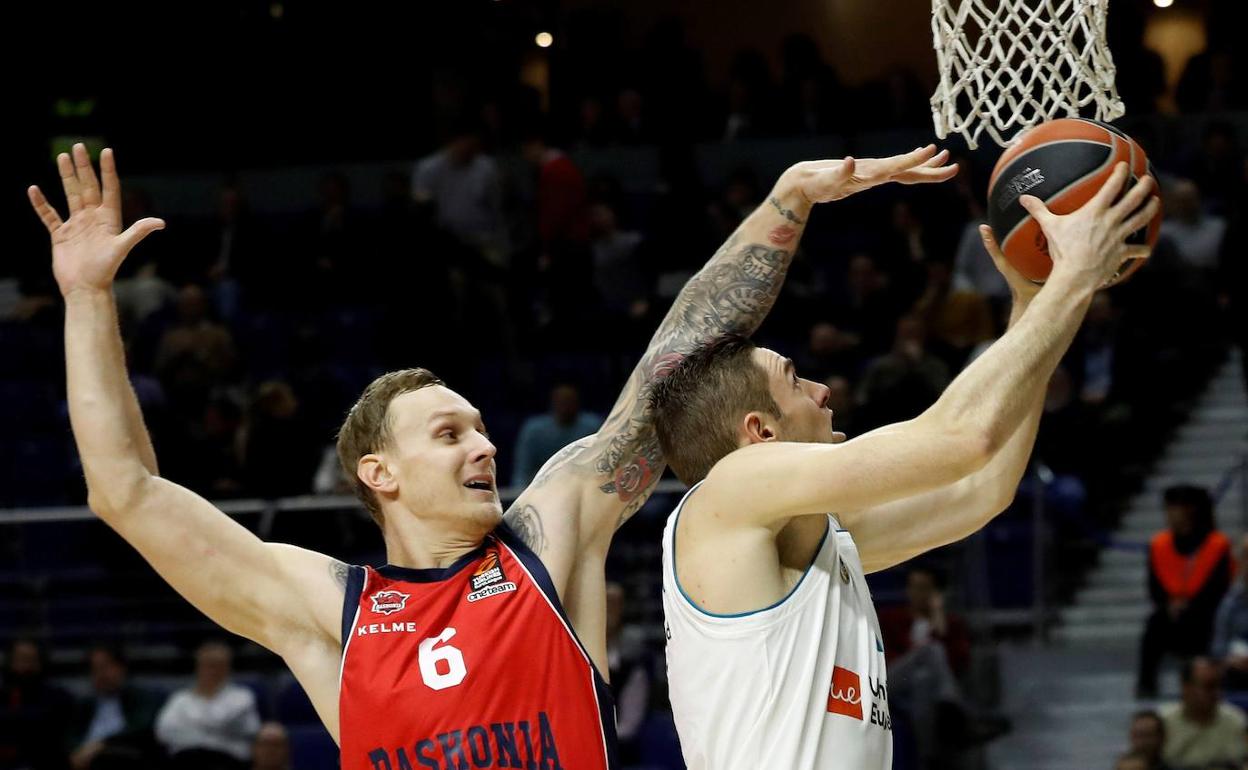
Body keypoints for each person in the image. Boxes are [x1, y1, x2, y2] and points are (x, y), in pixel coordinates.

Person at [28, 143, 952, 768]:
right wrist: (87, 300)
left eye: (478, 426)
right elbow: (127, 492)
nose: (482, 444)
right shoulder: (327, 612)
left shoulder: (544, 542)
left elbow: (669, 364)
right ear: (376, 475)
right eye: (447, 433)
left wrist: (786, 200)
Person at [650, 161, 1159, 769]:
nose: (822, 390)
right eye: (794, 379)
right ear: (759, 433)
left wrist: (1030, 305)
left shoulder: (814, 539)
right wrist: (1072, 278)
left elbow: (982, 488)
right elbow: (961, 439)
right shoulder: (728, 489)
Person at [1138, 485, 1234, 698]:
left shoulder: (1217, 544)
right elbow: (1154, 588)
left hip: (1205, 612)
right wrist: (1168, 604)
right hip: (1172, 610)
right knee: (1155, 623)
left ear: (1192, 511)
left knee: (1207, 621)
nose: (1170, 514)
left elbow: (1219, 589)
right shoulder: (1159, 544)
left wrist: (1190, 605)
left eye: (1175, 507)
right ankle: (1146, 684)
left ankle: (1207, 682)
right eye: (1168, 508)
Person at [154, 642, 261, 769]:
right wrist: (215, 734)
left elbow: (247, 729)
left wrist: (192, 726)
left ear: (228, 668)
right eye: (208, 665)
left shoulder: (242, 697)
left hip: (229, 760)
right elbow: (164, 732)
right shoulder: (180, 699)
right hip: (187, 760)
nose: (213, 671)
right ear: (198, 667)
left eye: (218, 666)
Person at [67, 645, 165, 770]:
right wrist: (76, 752)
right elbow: (70, 737)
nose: (101, 674)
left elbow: (142, 728)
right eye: (95, 669)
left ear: (121, 668)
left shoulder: (142, 698)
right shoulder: (83, 705)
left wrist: (102, 745)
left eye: (105, 667)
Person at [1159, 658, 1248, 769]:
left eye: (1219, 686)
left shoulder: (1237, 720)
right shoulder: (1162, 722)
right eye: (1209, 686)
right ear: (1186, 687)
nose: (1217, 693)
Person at [510, 383, 602, 486]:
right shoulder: (534, 430)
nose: (565, 406)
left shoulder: (593, 427)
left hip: (584, 484)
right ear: (552, 402)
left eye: (569, 401)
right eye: (561, 401)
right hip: (543, 488)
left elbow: (603, 464)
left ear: (577, 402)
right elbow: (522, 470)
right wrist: (518, 496)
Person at [1212, 535, 1248, 691]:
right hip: (1237, 669)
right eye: (1246, 558)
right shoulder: (1230, 602)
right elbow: (1218, 646)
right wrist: (1229, 659)